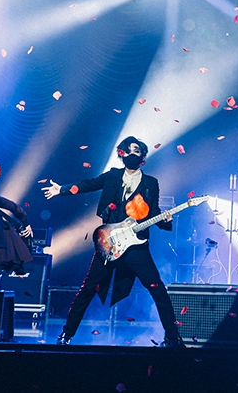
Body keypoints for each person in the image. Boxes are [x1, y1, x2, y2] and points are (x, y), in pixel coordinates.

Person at [43, 136, 183, 348]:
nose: (132, 154)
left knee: (158, 289)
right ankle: (66, 335)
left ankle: (172, 339)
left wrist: (165, 220)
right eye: (128, 150)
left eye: (136, 151)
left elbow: (153, 211)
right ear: (121, 154)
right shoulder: (113, 176)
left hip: (136, 246)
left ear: (143, 157)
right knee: (88, 289)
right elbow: (89, 184)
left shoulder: (150, 183)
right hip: (110, 242)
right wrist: (61, 189)